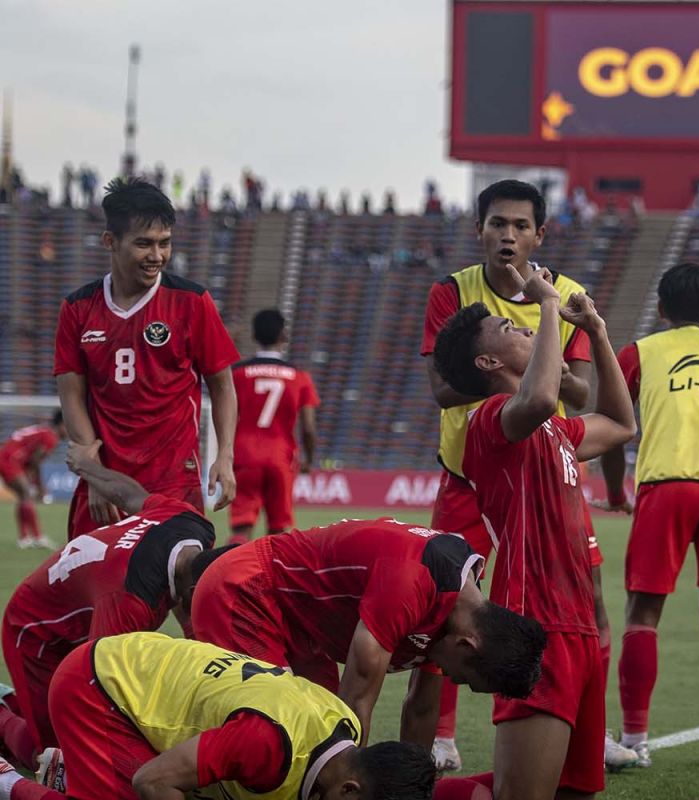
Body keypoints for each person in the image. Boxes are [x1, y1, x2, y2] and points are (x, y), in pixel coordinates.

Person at [420, 179, 627, 772]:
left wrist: (584, 334)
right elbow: (445, 385)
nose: (506, 235)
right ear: (479, 229)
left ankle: (591, 718)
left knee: (592, 597)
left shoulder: (565, 296)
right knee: (452, 597)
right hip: (476, 467)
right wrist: (539, 336)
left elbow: (590, 400)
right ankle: (440, 732)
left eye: (519, 226)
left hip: (549, 460)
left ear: (539, 234)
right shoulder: (456, 295)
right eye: (496, 224)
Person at [600, 263, 699, 769]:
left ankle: (637, 740)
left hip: (669, 482)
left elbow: (614, 425)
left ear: (660, 309)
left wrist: (616, 491)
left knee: (643, 614)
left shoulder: (640, 353)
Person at [191, 517, 546, 748]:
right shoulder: (411, 583)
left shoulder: (460, 615)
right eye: (466, 679)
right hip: (248, 590)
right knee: (267, 731)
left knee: (314, 735)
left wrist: (412, 786)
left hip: (304, 625)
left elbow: (422, 711)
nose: (456, 681)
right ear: (468, 646)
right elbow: (356, 701)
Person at [0, 632, 435, 800]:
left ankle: (54, 754)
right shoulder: (266, 743)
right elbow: (151, 780)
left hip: (151, 675)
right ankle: (7, 780)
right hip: (98, 684)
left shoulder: (347, 726)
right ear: (350, 791)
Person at [0, 440, 218, 772]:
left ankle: (19, 704)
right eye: (199, 605)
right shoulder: (129, 600)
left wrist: (90, 467)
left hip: (85, 608)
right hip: (34, 630)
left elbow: (132, 496)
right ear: (188, 590)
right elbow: (91, 683)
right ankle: (2, 713)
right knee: (59, 756)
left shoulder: (191, 523)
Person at [54, 177, 240, 539]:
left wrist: (226, 455)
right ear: (110, 241)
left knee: (172, 590)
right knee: (93, 593)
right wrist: (94, 474)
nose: (156, 256)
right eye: (144, 244)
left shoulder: (191, 302)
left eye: (164, 244)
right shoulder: (77, 308)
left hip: (173, 481)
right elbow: (71, 395)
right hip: (104, 485)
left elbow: (223, 385)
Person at [228, 309, 319, 544]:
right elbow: (308, 428)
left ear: (254, 336)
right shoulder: (300, 377)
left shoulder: (238, 373)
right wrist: (309, 458)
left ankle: (231, 575)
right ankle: (274, 578)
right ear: (283, 336)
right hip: (281, 456)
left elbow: (226, 414)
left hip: (245, 453)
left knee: (242, 526)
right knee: (279, 530)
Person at [0, 412, 66, 549]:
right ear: (61, 424)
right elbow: (36, 461)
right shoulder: (51, 437)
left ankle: (25, 538)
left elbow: (30, 458)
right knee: (26, 494)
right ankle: (37, 537)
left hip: (9, 457)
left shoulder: (44, 431)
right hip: (10, 460)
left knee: (23, 496)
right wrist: (40, 485)